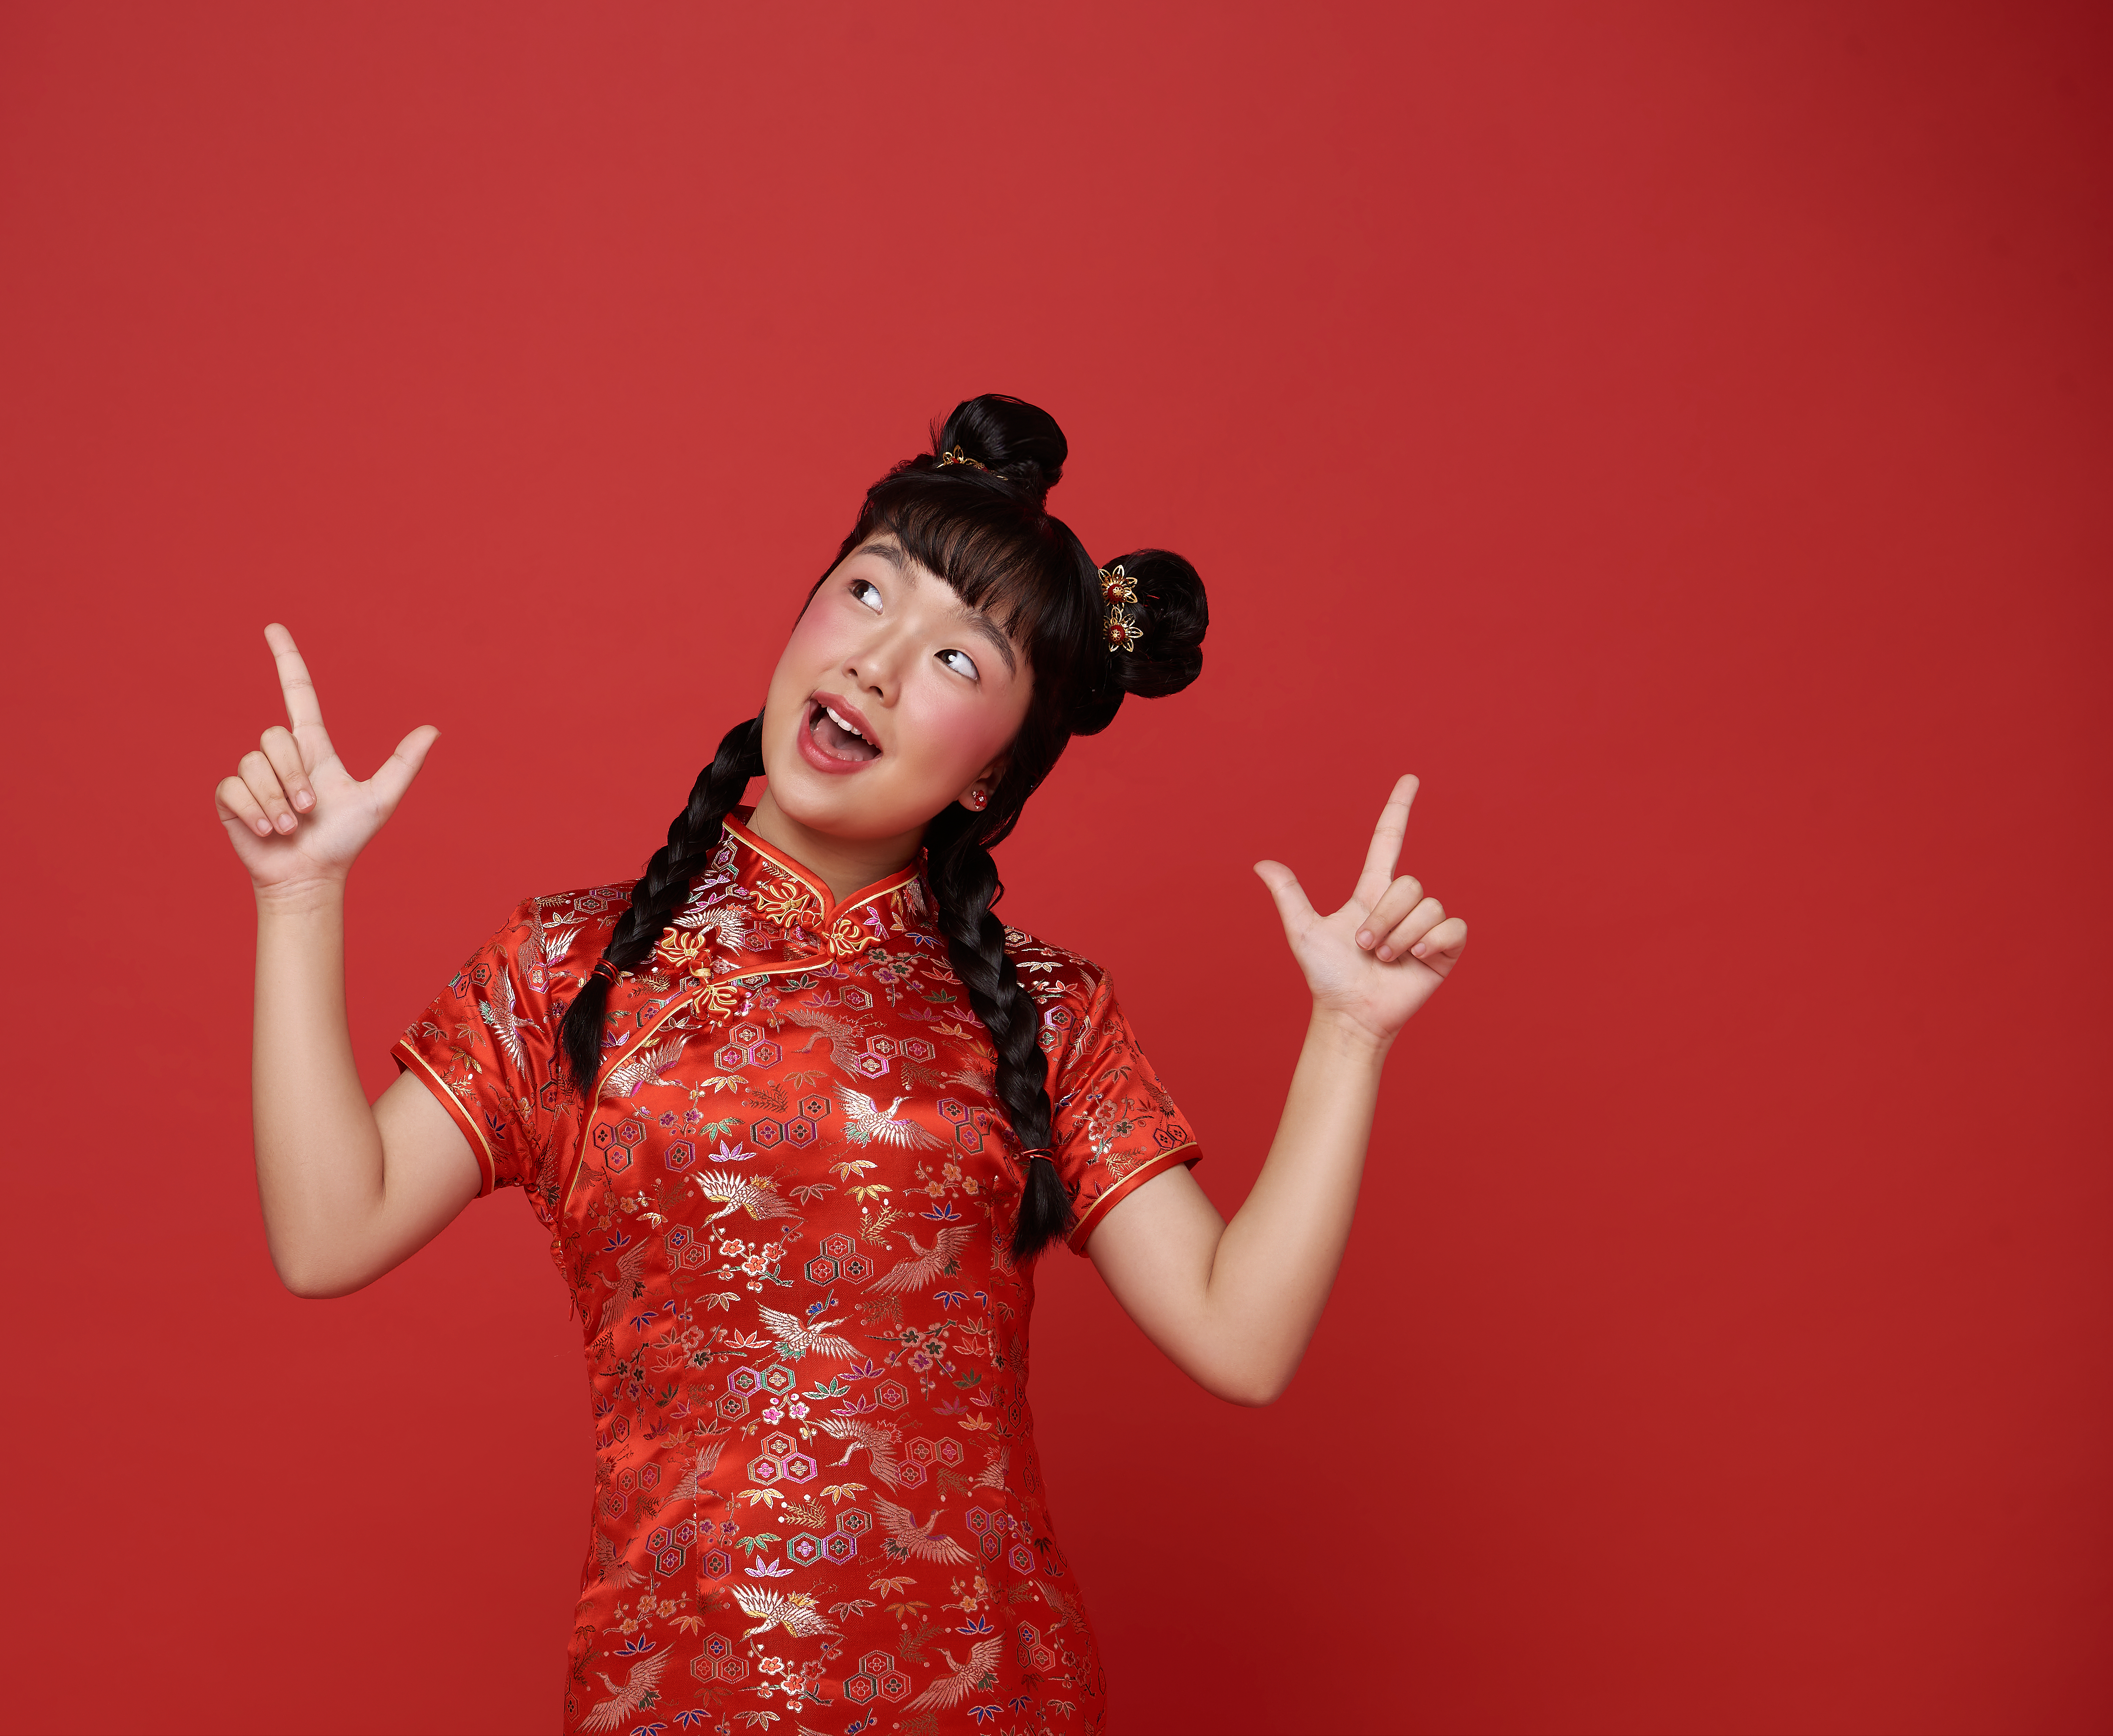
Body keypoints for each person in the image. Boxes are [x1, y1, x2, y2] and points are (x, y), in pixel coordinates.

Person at [215, 394, 1468, 1733]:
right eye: (868, 592)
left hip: (996, 1696)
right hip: (669, 1697)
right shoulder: (570, 967)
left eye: (958, 661)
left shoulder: (1043, 1012)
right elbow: (325, 1232)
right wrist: (298, 901)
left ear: (993, 777)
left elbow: (1242, 1336)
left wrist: (1351, 1034)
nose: (879, 657)